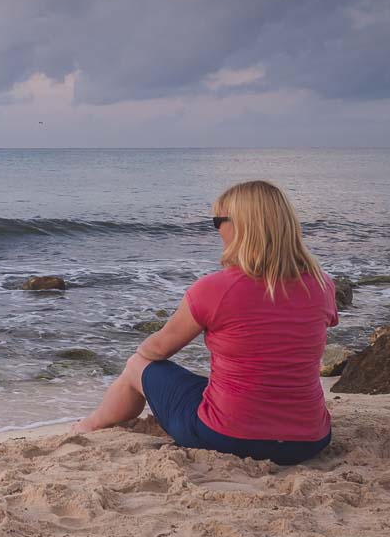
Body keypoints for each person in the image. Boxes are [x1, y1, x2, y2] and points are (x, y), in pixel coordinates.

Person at [72, 179, 335, 465]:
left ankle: (91, 425)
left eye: (217, 222)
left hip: (228, 438)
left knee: (138, 365)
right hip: (309, 441)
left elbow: (158, 349)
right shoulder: (322, 286)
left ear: (240, 226)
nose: (217, 231)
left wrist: (139, 357)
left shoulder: (216, 288)